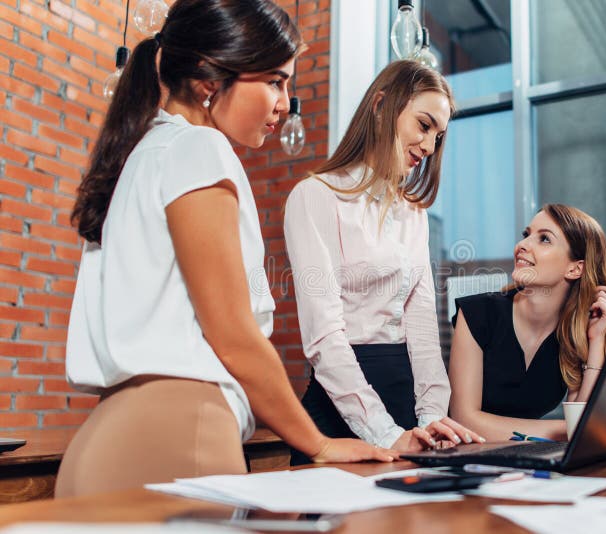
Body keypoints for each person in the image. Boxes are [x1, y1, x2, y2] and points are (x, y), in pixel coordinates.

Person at [57, 0, 396, 498]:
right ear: (209, 81)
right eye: (275, 82)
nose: (285, 104)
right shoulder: (198, 149)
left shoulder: (145, 153)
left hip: (112, 438)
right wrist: (317, 443)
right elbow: (234, 335)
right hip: (180, 432)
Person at [284, 60, 483, 464]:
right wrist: (385, 433)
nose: (429, 147)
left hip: (405, 403)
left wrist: (430, 418)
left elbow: (424, 328)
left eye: (438, 136)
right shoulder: (314, 196)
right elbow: (324, 336)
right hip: (343, 408)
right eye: (424, 126)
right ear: (381, 105)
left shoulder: (414, 214)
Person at [448, 204, 606, 442]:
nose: (522, 245)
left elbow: (584, 425)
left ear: (575, 268)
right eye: (526, 235)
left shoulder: (574, 333)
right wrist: (565, 430)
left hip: (528, 465)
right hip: (466, 460)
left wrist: (596, 341)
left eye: (544, 239)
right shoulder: (477, 314)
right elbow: (464, 420)